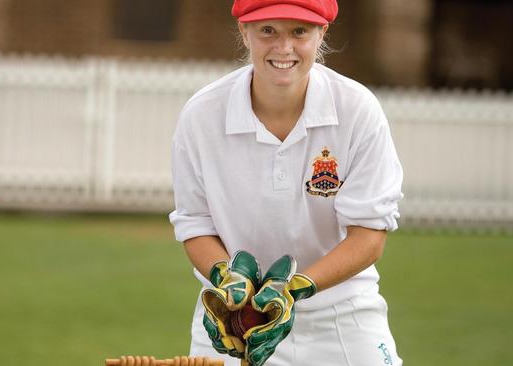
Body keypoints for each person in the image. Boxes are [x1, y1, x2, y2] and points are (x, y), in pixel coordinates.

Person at [169, 0, 404, 365]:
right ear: (244, 32)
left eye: (299, 31)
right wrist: (226, 280)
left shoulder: (358, 110)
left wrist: (293, 290)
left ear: (321, 33)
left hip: (342, 315)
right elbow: (195, 223)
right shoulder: (202, 114)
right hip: (237, 321)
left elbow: (369, 236)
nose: (283, 48)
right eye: (268, 30)